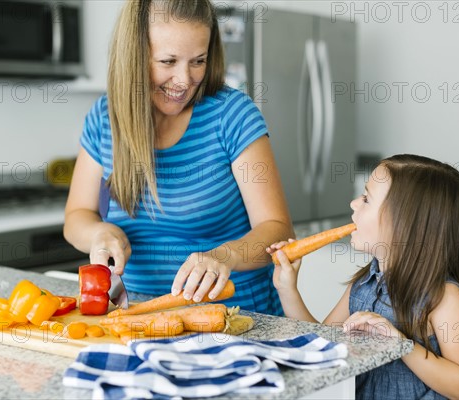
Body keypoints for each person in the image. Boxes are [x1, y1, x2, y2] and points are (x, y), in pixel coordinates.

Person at [64, 0, 293, 315]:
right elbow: (77, 215)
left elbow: (278, 229)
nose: (185, 80)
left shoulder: (232, 116)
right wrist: (99, 234)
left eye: (198, 61)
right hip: (138, 318)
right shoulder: (105, 119)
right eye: (168, 61)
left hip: (237, 320)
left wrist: (225, 256)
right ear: (134, 55)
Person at [267, 154, 459, 399]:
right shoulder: (363, 284)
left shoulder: (443, 296)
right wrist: (287, 289)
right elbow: (323, 343)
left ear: (405, 224)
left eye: (366, 198)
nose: (353, 203)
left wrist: (401, 345)